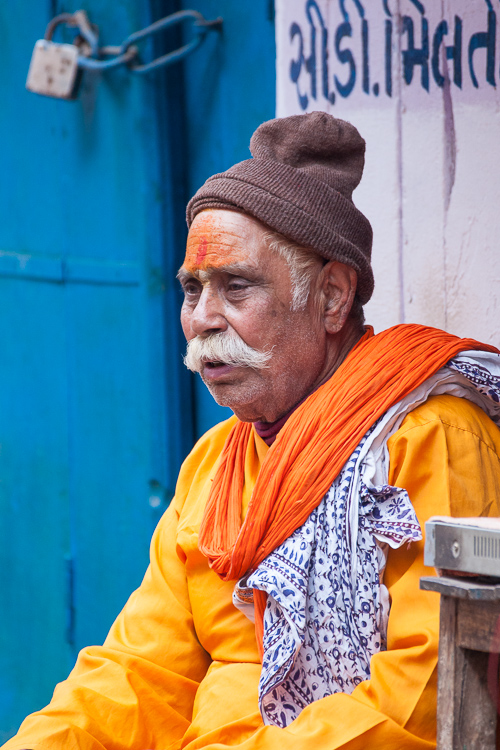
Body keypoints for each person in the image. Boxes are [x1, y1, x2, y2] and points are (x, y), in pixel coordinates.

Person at [4, 112, 500, 750]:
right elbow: (142, 672)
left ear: (331, 299)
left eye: (236, 287)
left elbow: (424, 698)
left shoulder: (429, 439)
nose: (202, 320)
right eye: (192, 290)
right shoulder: (217, 462)